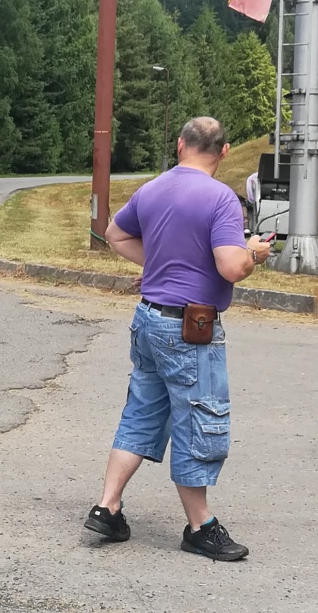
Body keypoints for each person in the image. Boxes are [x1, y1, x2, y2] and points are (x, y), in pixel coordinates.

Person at [84, 117, 272, 562]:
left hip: (148, 319)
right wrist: (254, 253)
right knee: (199, 419)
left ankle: (108, 507)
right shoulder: (221, 199)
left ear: (180, 145)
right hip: (190, 328)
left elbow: (114, 235)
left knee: (142, 412)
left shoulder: (152, 189)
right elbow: (231, 267)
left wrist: (158, 267)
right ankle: (200, 527)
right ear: (224, 151)